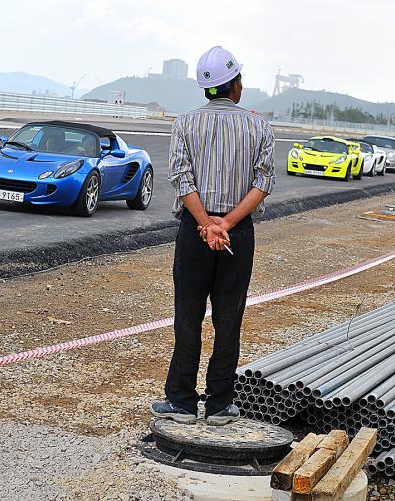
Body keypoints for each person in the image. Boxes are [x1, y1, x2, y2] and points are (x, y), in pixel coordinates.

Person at [152, 46, 276, 426]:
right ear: (235, 85)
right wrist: (227, 224)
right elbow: (263, 181)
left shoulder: (185, 124)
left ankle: (183, 402)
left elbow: (181, 177)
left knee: (187, 315)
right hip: (237, 233)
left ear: (205, 89)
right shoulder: (259, 126)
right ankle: (220, 403)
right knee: (229, 315)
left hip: (195, 231)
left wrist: (206, 224)